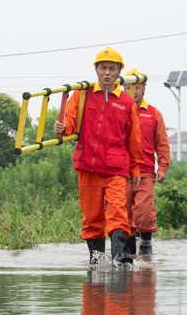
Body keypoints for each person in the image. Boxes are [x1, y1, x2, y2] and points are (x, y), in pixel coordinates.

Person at [53, 46, 143, 265]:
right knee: (92, 217)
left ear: (119, 71)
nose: (107, 73)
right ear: (96, 69)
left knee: (117, 212)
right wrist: (62, 127)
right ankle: (96, 259)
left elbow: (133, 137)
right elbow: (71, 122)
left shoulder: (126, 102)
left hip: (115, 168)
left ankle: (120, 256)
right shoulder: (81, 94)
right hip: (87, 166)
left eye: (112, 68)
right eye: (103, 68)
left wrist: (136, 168)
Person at [123, 68, 170, 255]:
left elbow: (163, 143)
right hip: (122, 173)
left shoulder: (154, 114)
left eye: (137, 87)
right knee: (123, 215)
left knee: (145, 212)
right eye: (128, 87)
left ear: (144, 89)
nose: (133, 91)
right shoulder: (119, 111)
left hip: (145, 173)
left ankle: (145, 251)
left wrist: (163, 167)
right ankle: (127, 257)